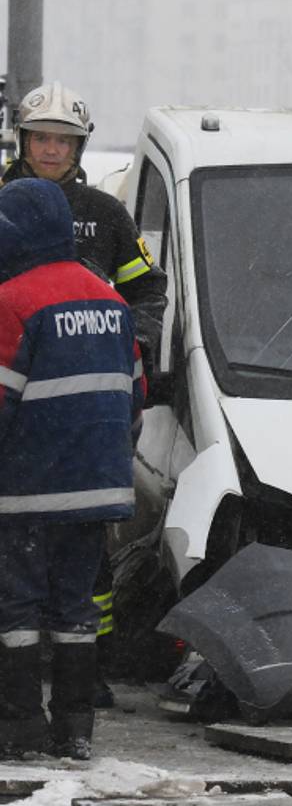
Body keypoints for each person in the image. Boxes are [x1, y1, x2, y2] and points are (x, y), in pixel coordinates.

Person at [3, 82, 166, 708]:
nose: (50, 150)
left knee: (86, 546)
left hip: (86, 403)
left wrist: (138, 346)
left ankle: (83, 668)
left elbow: (146, 291)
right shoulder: (4, 206)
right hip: (18, 389)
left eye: (63, 141)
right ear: (24, 140)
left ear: (80, 147)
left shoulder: (107, 214)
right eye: (41, 138)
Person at [0, 178, 145, 760]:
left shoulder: (13, 300)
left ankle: (19, 729)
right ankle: (75, 730)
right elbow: (134, 398)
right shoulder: (111, 301)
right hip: (96, 490)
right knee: (74, 608)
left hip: (27, 491)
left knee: (15, 611)